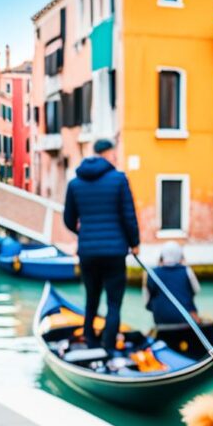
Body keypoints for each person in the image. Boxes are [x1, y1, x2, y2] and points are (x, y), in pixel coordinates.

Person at [63, 139, 140, 351]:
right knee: (114, 303)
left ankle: (90, 340)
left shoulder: (74, 183)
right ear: (107, 154)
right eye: (113, 154)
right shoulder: (119, 179)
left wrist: (84, 232)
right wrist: (134, 244)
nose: (115, 157)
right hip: (115, 252)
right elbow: (129, 216)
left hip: (88, 251)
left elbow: (68, 219)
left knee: (91, 299)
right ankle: (108, 345)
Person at [143, 241, 201, 325]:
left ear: (162, 256)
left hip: (160, 320)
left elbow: (147, 302)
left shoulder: (151, 273)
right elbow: (196, 290)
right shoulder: (187, 270)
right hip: (186, 319)